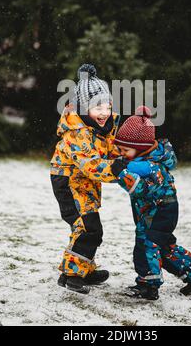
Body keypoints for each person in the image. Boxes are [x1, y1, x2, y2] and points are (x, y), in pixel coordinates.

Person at [111, 105, 191, 300]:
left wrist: (121, 174)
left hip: (161, 211)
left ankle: (148, 284)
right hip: (155, 210)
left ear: (141, 149)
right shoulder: (142, 162)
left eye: (125, 150)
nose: (121, 153)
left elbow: (140, 190)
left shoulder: (151, 167)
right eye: (119, 149)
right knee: (164, 247)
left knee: (146, 243)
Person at [50, 64, 121, 294]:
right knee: (88, 228)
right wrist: (117, 169)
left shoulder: (103, 127)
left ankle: (81, 269)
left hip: (85, 183)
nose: (103, 112)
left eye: (107, 105)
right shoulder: (77, 133)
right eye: (96, 107)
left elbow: (112, 150)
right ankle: (73, 274)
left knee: (85, 228)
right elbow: (91, 165)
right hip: (68, 181)